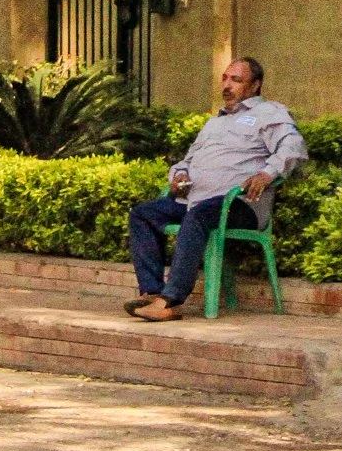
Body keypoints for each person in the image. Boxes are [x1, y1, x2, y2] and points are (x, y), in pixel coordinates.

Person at [126, 56, 307, 322]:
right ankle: (152, 292)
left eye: (236, 80)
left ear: (255, 85)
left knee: (199, 215)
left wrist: (267, 173)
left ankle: (170, 301)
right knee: (142, 214)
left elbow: (293, 147)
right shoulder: (214, 123)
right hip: (196, 200)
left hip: (239, 205)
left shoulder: (270, 113)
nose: (227, 85)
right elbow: (187, 161)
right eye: (225, 78)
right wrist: (179, 175)